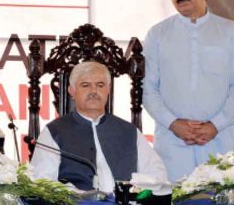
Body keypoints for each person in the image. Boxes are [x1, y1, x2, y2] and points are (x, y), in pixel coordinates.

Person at [143, 0, 234, 181]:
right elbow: (147, 89)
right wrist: (174, 124)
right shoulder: (157, 34)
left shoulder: (229, 32)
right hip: (173, 144)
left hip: (222, 140)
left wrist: (216, 125)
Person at [31, 61, 167, 193]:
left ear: (108, 90)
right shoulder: (54, 132)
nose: (94, 91)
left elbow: (157, 175)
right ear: (71, 91)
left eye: (100, 85)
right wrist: (76, 195)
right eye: (85, 85)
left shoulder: (129, 132)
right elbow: (41, 182)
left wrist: (131, 186)